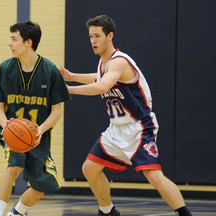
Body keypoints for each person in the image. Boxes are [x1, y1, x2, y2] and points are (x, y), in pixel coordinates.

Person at [59, 15, 192, 216]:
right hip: (117, 129)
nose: (93, 41)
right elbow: (99, 77)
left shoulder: (119, 61)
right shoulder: (104, 64)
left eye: (97, 36)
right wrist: (73, 77)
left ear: (109, 36)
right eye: (90, 36)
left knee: (154, 175)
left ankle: (184, 213)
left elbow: (102, 85)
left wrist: (68, 89)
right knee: (90, 168)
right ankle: (108, 211)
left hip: (139, 127)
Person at [0, 20, 71, 216]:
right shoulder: (5, 69)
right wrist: (6, 126)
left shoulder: (50, 71)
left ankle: (16, 213)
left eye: (14, 39)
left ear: (28, 42)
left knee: (41, 187)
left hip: (37, 136)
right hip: (12, 131)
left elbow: (57, 110)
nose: (9, 43)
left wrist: (40, 130)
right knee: (14, 166)